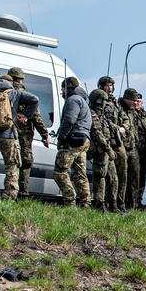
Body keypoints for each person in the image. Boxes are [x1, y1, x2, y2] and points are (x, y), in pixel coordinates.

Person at [6, 67, 50, 197]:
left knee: (11, 162)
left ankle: (9, 191)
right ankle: (23, 192)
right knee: (25, 162)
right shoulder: (26, 95)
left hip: (6, 133)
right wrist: (45, 135)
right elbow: (36, 118)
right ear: (21, 79)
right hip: (23, 134)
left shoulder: (4, 93)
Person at [53, 77, 92, 207]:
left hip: (73, 140)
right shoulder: (84, 101)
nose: (62, 91)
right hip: (84, 140)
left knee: (60, 171)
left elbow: (69, 120)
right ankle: (86, 204)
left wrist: (61, 137)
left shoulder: (72, 100)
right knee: (80, 174)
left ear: (69, 88)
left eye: (63, 88)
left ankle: (70, 201)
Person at [98, 76, 128, 211]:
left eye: (111, 85)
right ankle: (104, 202)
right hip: (107, 140)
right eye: (106, 85)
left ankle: (119, 202)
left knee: (122, 173)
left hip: (118, 140)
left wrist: (123, 127)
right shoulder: (99, 100)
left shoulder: (116, 102)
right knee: (106, 174)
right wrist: (115, 127)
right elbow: (102, 119)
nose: (109, 88)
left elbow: (125, 118)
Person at [87, 88, 117, 212]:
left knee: (113, 177)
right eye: (103, 101)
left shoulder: (102, 115)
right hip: (99, 150)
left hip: (106, 149)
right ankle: (100, 203)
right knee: (100, 177)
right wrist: (109, 149)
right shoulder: (92, 113)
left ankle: (113, 203)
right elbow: (98, 134)